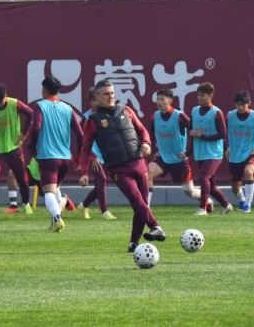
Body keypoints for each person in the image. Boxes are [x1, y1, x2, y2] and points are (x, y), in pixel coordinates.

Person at [79, 80, 166, 252]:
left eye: (112, 93)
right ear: (97, 97)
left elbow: (142, 130)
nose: (111, 96)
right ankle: (155, 226)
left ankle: (133, 243)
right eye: (106, 94)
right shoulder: (92, 121)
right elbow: (85, 148)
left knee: (141, 205)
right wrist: (84, 172)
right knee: (136, 199)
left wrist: (146, 143)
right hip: (118, 169)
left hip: (139, 163)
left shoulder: (126, 110)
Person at [23, 76, 83, 232]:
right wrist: (78, 157)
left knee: (48, 192)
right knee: (55, 188)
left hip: (48, 157)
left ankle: (57, 218)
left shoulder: (40, 106)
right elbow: (80, 134)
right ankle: (57, 216)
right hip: (65, 158)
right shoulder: (68, 108)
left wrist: (32, 146)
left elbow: (36, 127)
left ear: (44, 90)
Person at [147, 89, 208, 211]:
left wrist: (187, 152)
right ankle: (146, 207)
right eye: (157, 99)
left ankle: (207, 201)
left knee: (189, 191)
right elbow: (152, 136)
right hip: (163, 158)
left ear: (170, 100)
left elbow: (193, 131)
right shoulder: (155, 117)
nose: (159, 102)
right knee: (148, 173)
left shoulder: (179, 116)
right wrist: (155, 150)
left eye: (162, 99)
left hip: (179, 160)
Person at [0, 83, 33, 214]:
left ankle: (26, 204)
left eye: (1, 101)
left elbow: (31, 114)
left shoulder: (14, 104)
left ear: (6, 95)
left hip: (14, 147)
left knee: (21, 178)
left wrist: (24, 134)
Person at [189, 82, 232, 216]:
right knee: (211, 186)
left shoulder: (216, 113)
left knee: (203, 178)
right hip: (200, 152)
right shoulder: (194, 111)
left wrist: (203, 136)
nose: (200, 98)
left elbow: (223, 134)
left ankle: (203, 208)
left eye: (203, 95)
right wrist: (191, 137)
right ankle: (226, 205)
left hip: (214, 153)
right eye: (198, 95)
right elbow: (190, 130)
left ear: (211, 96)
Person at [76, 87, 117, 220]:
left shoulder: (107, 115)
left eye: (96, 100)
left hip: (106, 155)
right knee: (102, 179)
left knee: (100, 183)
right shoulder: (86, 118)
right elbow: (82, 142)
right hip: (92, 156)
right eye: (92, 101)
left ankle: (83, 205)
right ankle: (104, 211)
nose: (95, 103)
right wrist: (91, 157)